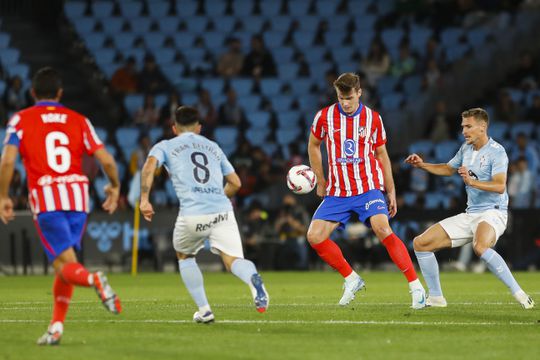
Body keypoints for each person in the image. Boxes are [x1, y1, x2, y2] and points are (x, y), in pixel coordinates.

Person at [0, 67, 122, 345]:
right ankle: (56, 327)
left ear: (32, 93)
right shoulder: (79, 119)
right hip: (78, 200)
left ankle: (95, 280)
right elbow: (107, 161)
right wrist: (114, 186)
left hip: (47, 199)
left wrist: (3, 196)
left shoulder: (20, 119)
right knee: (66, 264)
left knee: (64, 263)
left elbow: (7, 161)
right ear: (59, 93)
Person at [139, 106, 269, 323]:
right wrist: (218, 197)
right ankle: (253, 280)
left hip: (192, 213)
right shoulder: (213, 146)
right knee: (233, 260)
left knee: (185, 256)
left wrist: (144, 199)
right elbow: (236, 183)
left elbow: (149, 167)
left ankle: (205, 310)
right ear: (199, 128)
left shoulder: (165, 145)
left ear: (174, 128)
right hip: (222, 211)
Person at [307, 72, 426, 308]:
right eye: (341, 97)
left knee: (382, 228)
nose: (345, 103)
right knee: (314, 236)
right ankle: (351, 278)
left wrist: (390, 190)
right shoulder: (324, 117)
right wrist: (320, 180)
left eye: (350, 97)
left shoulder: (373, 119)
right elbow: (313, 145)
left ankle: (416, 287)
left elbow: (382, 155)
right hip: (338, 191)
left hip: (367, 187)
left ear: (359, 93)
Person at [406, 107, 535, 309]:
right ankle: (436, 297)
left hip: (493, 211)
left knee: (480, 246)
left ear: (482, 127)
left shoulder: (497, 152)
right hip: (471, 213)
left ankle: (520, 294)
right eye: (462, 127)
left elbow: (500, 186)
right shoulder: (466, 149)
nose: (464, 131)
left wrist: (472, 183)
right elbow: (449, 169)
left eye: (468, 126)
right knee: (421, 243)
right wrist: (423, 165)